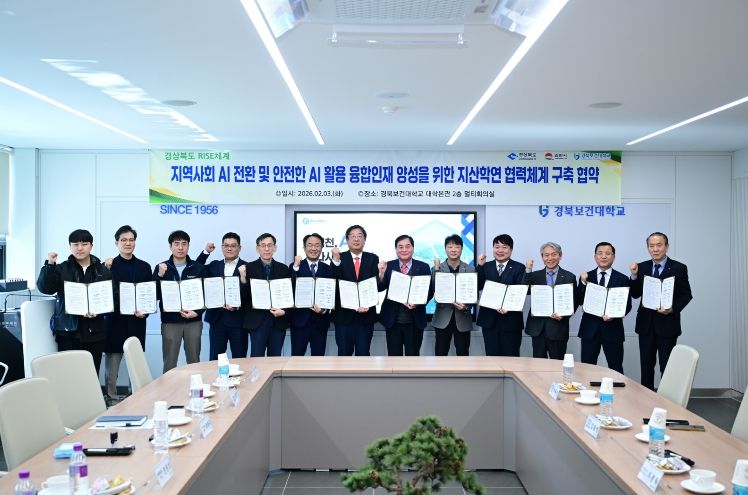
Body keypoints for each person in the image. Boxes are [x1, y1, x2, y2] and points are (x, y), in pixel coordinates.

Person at [36, 228, 112, 376]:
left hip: (95, 332)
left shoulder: (103, 270)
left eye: (84, 244)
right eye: (75, 244)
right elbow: (45, 288)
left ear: (91, 245)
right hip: (68, 333)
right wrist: (50, 265)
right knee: (68, 375)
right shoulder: (61, 268)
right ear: (70, 246)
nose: (80, 248)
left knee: (91, 375)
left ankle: (90, 393)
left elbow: (112, 298)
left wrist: (99, 311)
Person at [629, 232, 692, 390]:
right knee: (646, 366)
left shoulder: (679, 268)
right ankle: (646, 398)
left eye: (659, 245)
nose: (655, 249)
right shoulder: (641, 267)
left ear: (667, 247)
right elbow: (635, 294)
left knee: (667, 367)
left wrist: (672, 309)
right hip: (646, 325)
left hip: (668, 325)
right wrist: (634, 275)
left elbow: (686, 295)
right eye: (651, 246)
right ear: (648, 248)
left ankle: (667, 400)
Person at [103, 225, 152, 403]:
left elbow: (149, 294)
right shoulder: (108, 266)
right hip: (115, 321)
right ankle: (111, 396)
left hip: (137, 321)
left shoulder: (145, 267)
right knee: (113, 362)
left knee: (135, 359)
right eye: (123, 240)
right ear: (116, 243)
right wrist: (105, 268)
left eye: (131, 240)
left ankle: (136, 395)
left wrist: (145, 312)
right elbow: (103, 293)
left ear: (135, 243)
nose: (128, 243)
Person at [154, 230, 206, 373]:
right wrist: (159, 276)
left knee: (194, 361)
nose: (180, 247)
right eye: (176, 244)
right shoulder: (161, 267)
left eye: (184, 244)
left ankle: (195, 387)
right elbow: (155, 295)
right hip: (170, 321)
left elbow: (206, 295)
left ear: (188, 246)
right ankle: (168, 388)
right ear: (170, 246)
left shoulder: (198, 268)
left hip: (193, 321)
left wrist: (197, 313)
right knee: (169, 363)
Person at [575, 242, 631, 373]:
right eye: (600, 253)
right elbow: (579, 300)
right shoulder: (586, 276)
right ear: (595, 257)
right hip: (589, 331)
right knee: (587, 369)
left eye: (607, 253)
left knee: (616, 368)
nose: (603, 256)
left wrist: (614, 316)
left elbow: (627, 305)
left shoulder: (622, 278)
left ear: (614, 257)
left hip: (613, 330)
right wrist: (583, 282)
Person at [377, 235, 433, 356]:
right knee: (394, 358)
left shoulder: (423, 267)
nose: (404, 250)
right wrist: (381, 274)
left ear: (413, 248)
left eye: (407, 246)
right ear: (396, 249)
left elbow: (429, 291)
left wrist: (419, 302)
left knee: (413, 358)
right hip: (393, 321)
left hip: (415, 322)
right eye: (400, 247)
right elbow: (380, 288)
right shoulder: (388, 265)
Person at [197, 233, 248, 360]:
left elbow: (250, 294)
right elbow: (196, 269)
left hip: (239, 321)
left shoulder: (247, 267)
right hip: (217, 319)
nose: (229, 248)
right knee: (215, 359)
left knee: (240, 358)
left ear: (239, 248)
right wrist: (206, 252)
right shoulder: (214, 265)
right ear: (222, 247)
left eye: (233, 246)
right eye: (226, 245)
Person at [330, 225, 380, 356]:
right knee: (343, 355)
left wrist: (381, 274)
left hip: (365, 317)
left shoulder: (373, 258)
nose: (356, 239)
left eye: (359, 236)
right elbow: (334, 282)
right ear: (347, 240)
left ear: (364, 240)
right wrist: (336, 260)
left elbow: (375, 286)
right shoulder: (339, 257)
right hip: (343, 317)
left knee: (363, 355)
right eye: (352, 236)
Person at [523, 242, 578, 359]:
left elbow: (574, 301)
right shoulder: (534, 275)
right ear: (542, 257)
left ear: (560, 256)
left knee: (557, 364)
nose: (550, 258)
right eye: (546, 255)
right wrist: (528, 269)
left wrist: (564, 315)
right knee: (538, 364)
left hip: (558, 328)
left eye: (554, 254)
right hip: (537, 328)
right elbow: (524, 290)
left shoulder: (569, 277)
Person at [476, 234, 526, 356]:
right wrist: (480, 266)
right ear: (493, 248)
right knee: (491, 357)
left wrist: (508, 306)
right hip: (489, 321)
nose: (500, 250)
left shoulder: (519, 267)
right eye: (497, 247)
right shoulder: (485, 266)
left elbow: (519, 291)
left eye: (504, 247)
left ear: (511, 249)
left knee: (511, 357)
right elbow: (477, 286)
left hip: (511, 321)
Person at [243, 233, 291, 357]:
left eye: (270, 245)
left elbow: (289, 295)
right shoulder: (248, 268)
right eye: (263, 245)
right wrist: (243, 279)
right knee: (256, 358)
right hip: (257, 321)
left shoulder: (284, 269)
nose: (266, 249)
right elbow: (244, 296)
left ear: (275, 248)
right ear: (257, 248)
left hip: (278, 321)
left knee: (275, 358)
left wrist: (284, 311)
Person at [289, 233, 332, 356]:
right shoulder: (295, 266)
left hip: (320, 322)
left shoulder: (328, 268)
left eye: (317, 245)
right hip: (299, 322)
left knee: (318, 360)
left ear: (322, 248)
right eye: (310, 245)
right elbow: (290, 289)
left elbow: (332, 294)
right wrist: (295, 267)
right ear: (304, 248)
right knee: (296, 359)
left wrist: (323, 310)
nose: (313, 248)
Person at [432, 234, 475, 356]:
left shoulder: (470, 270)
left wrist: (466, 307)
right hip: (442, 318)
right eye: (450, 247)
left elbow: (473, 294)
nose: (453, 250)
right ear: (445, 249)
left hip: (463, 319)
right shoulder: (437, 268)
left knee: (463, 354)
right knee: (440, 353)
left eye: (457, 247)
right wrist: (436, 269)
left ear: (462, 249)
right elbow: (433, 288)